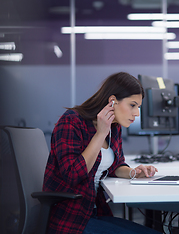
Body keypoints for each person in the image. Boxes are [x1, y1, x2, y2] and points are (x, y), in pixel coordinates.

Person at [43, 72, 160, 234]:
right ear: (112, 101)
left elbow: (116, 166)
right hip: (72, 219)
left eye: (138, 107)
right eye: (132, 105)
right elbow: (72, 175)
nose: (137, 113)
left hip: (94, 212)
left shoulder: (114, 127)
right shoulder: (71, 121)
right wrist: (100, 134)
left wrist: (133, 172)